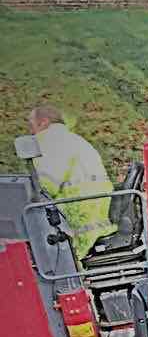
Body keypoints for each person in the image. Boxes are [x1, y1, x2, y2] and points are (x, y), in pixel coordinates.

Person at [26, 102, 115, 259]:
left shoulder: (49, 141)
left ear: (44, 122)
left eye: (31, 124)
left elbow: (46, 187)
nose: (29, 130)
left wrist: (25, 199)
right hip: (97, 217)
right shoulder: (73, 139)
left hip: (77, 225)